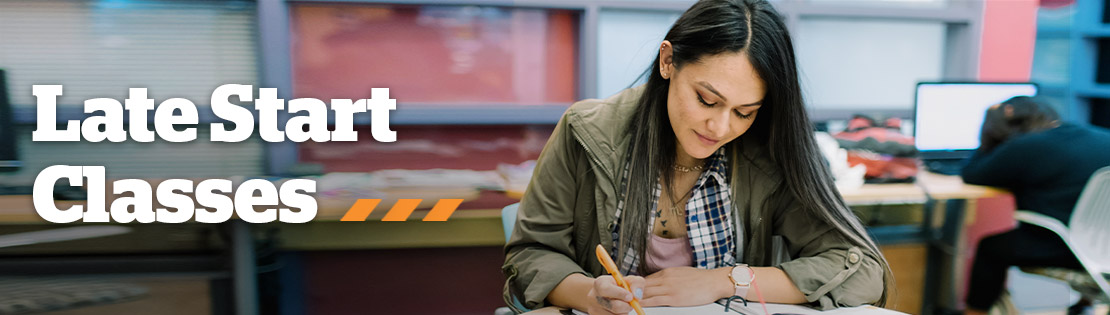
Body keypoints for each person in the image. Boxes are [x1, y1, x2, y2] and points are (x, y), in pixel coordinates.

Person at [501, 0, 891, 313]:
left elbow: (861, 269)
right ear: (668, 61)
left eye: (744, 112)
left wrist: (725, 280)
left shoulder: (766, 152)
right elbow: (532, 252)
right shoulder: (586, 130)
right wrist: (588, 295)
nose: (719, 128)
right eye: (706, 99)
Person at [961, 96, 1110, 315]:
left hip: (1066, 248)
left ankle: (974, 313)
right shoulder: (1101, 136)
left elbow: (972, 173)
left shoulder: (1026, 145)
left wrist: (989, 136)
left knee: (991, 247)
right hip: (1105, 249)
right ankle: (1083, 306)